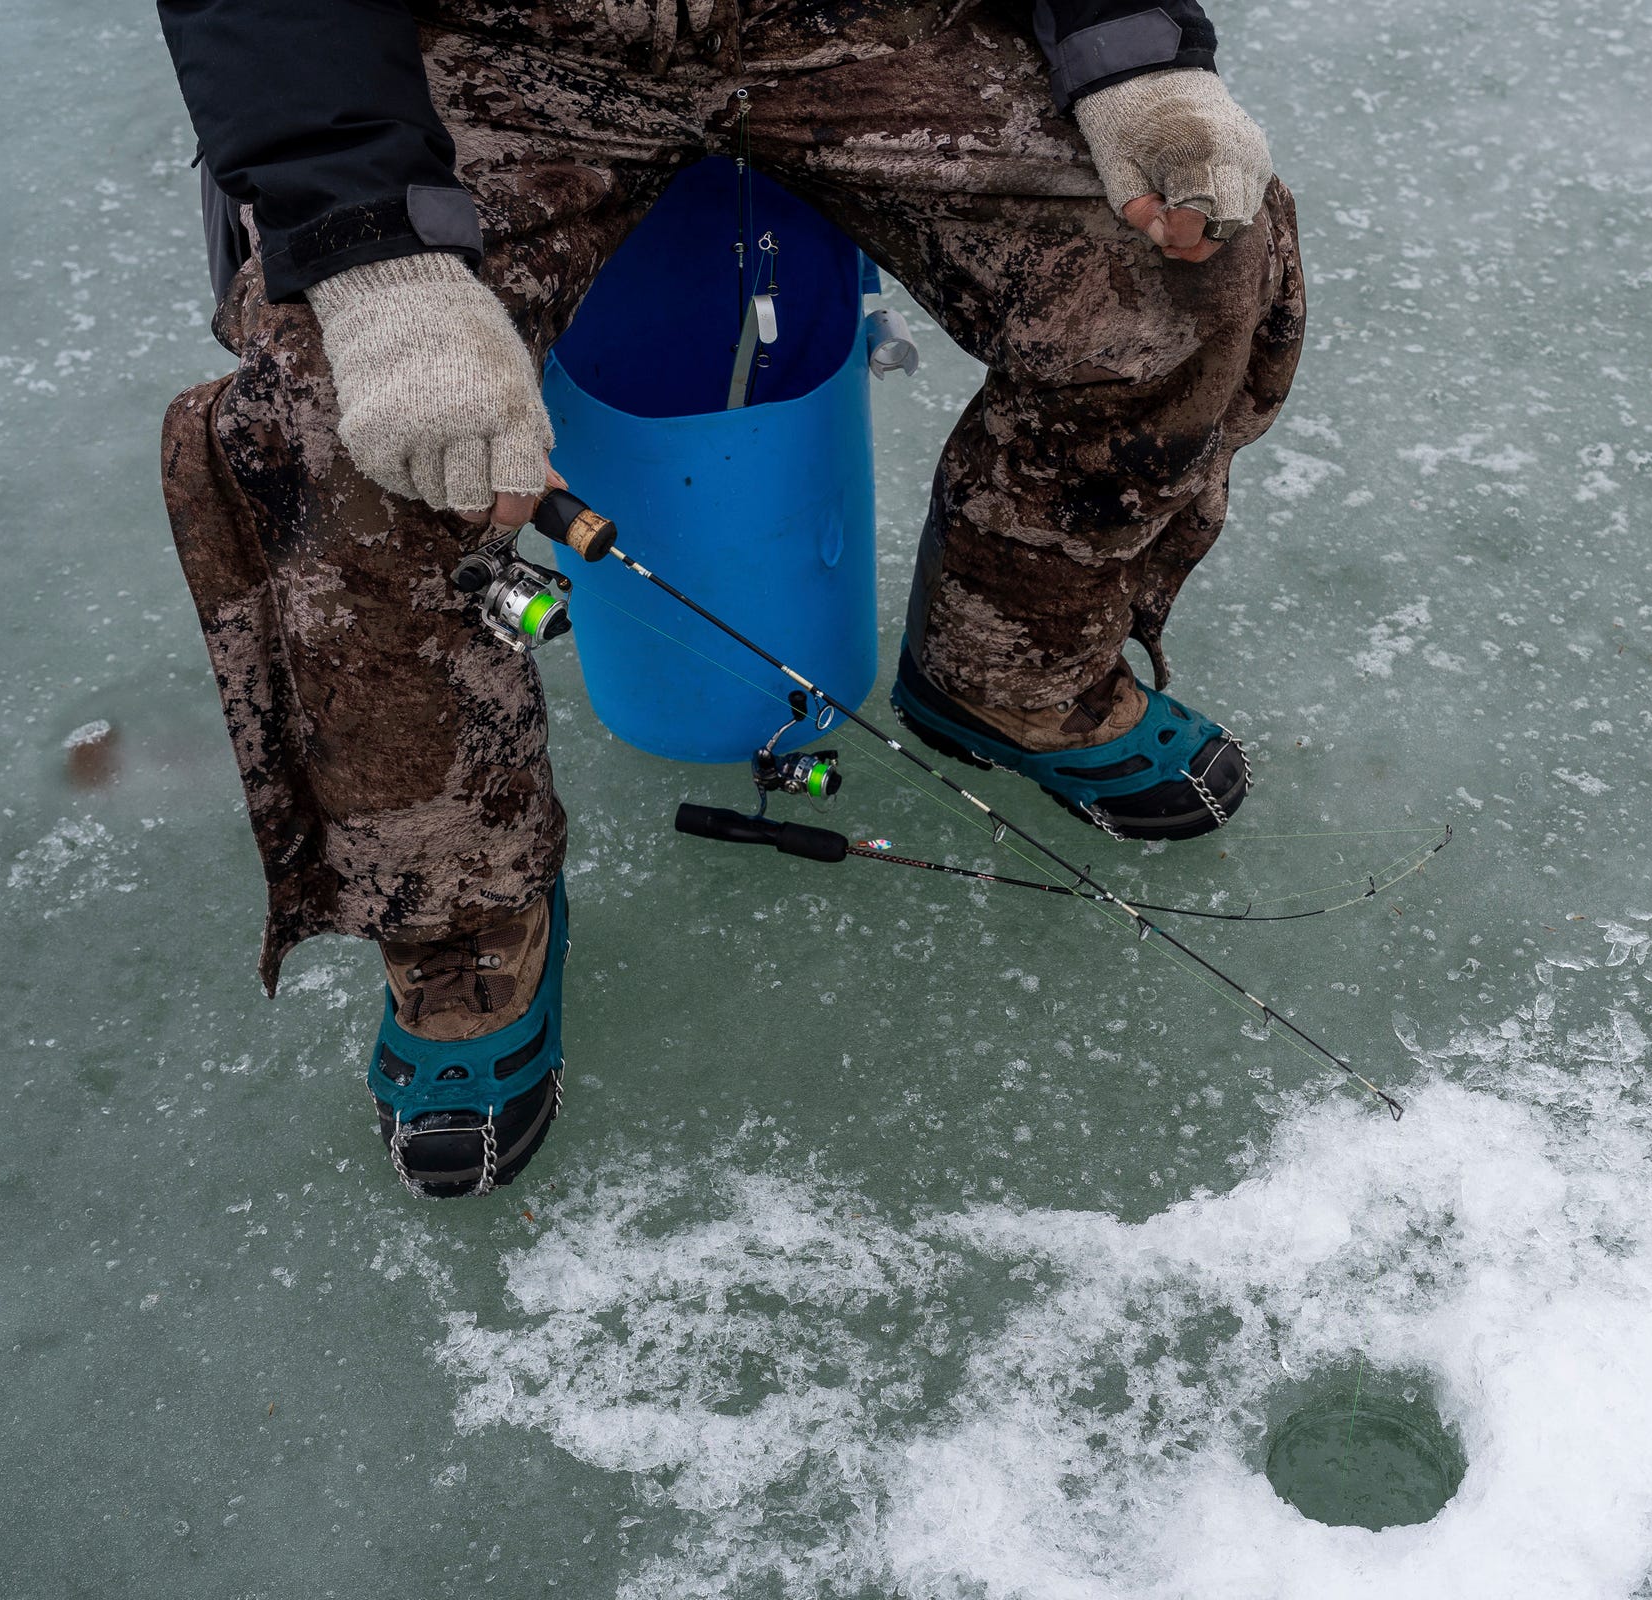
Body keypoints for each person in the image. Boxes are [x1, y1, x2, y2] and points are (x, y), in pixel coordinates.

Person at [154, 0, 1305, 1197]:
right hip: (498, 48)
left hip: (852, 20)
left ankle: (1008, 666)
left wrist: (1133, 52)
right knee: (324, 426)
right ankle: (461, 902)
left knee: (1189, 264)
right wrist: (370, 253)